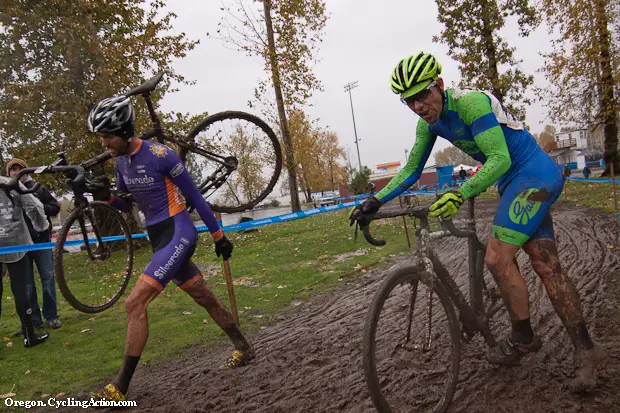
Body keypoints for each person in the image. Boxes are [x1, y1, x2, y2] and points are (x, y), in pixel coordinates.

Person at [350, 51, 607, 392]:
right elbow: (412, 170)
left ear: (439, 85)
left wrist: (461, 192)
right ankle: (585, 349)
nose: (417, 106)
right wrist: (375, 200)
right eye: (408, 101)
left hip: (532, 174)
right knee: (546, 265)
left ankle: (524, 337)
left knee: (497, 256)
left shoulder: (471, 104)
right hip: (515, 182)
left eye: (422, 95)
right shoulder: (429, 124)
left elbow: (500, 159)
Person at [85, 96, 254, 401]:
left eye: (107, 137)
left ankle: (119, 388)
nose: (104, 144)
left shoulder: (162, 155)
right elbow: (128, 204)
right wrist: (107, 196)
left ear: (124, 131)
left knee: (134, 304)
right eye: (101, 138)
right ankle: (244, 347)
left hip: (179, 232)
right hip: (159, 238)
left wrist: (219, 236)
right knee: (204, 296)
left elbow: (197, 199)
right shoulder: (121, 162)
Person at [6, 159, 62, 331]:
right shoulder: (6, 191)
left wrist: (38, 207)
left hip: (41, 240)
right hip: (20, 243)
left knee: (48, 278)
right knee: (27, 284)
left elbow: (55, 207)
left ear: (26, 171)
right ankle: (34, 321)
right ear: (8, 173)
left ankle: (51, 316)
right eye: (12, 169)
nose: (16, 172)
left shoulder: (37, 188)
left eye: (19, 169)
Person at [0, 175, 50, 347]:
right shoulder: (10, 183)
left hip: (14, 240)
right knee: (20, 287)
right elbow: (33, 206)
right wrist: (42, 226)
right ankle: (29, 335)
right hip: (15, 239)